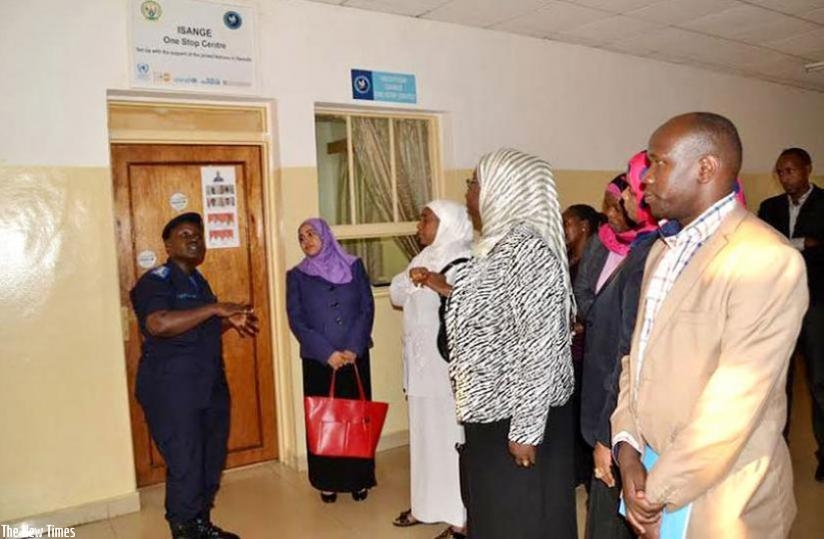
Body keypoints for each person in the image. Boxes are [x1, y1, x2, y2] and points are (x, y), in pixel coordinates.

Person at [612, 113, 807, 537]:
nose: (645, 178)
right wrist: (626, 449)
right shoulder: (663, 251)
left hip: (722, 496)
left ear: (705, 168)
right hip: (651, 469)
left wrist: (655, 492)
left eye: (659, 162)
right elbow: (637, 358)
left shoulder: (764, 260)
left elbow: (732, 406)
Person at [429, 148, 577, 538]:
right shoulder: (494, 246)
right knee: (496, 516)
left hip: (519, 417)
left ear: (503, 188)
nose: (468, 192)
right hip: (493, 412)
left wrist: (525, 430)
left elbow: (540, 345)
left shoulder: (527, 250)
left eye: (474, 183)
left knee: (521, 519)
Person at [131, 212, 259, 539]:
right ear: (168, 244)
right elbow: (158, 323)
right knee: (186, 461)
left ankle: (199, 522)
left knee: (210, 458)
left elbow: (199, 326)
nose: (193, 240)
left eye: (198, 235)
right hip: (171, 388)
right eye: (185, 234)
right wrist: (215, 309)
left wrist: (229, 320)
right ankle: (185, 528)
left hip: (207, 385)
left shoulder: (198, 281)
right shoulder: (157, 280)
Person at [579, 151, 658, 539]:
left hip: (624, 406)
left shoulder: (649, 254)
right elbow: (584, 295)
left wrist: (607, 435)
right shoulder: (615, 246)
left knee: (614, 515)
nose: (619, 204)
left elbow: (629, 351)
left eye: (628, 192)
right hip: (608, 393)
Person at [389, 200, 473, 539]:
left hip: (446, 368)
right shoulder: (424, 257)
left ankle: (458, 516)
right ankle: (425, 506)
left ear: (447, 223)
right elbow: (396, 293)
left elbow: (470, 303)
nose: (418, 226)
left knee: (450, 439)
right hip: (420, 365)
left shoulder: (464, 258)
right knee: (424, 438)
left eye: (426, 219)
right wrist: (416, 281)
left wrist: (433, 284)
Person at [286, 218, 376, 503]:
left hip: (354, 356)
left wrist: (353, 347)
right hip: (319, 361)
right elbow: (297, 320)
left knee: (355, 419)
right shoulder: (296, 276)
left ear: (325, 236)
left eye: (311, 234)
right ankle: (328, 481)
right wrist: (326, 352)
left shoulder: (354, 266)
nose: (306, 240)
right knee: (325, 421)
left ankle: (358, 479)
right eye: (301, 237)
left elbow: (366, 307)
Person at [758, 148, 824, 478]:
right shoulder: (769, 208)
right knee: (777, 382)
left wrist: (790, 244)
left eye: (791, 170)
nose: (785, 178)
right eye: (781, 172)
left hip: (816, 303)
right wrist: (803, 243)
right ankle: (777, 449)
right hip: (779, 304)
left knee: (819, 381)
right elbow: (763, 248)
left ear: (807, 169)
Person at [562, 204, 602, 487]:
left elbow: (598, 306)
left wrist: (579, 325)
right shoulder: (565, 258)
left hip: (584, 350)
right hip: (564, 350)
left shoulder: (594, 262)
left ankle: (587, 472)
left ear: (584, 226)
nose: (563, 229)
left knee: (582, 414)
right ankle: (573, 471)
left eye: (568, 223)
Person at [574, 174, 633, 323]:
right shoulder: (599, 240)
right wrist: (598, 319)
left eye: (616, 208)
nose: (609, 214)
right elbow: (581, 289)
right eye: (607, 206)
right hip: (597, 329)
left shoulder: (649, 245)